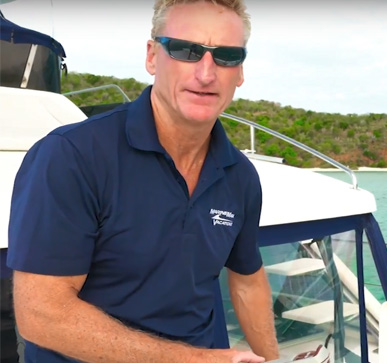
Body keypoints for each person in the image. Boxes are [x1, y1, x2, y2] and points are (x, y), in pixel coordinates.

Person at [6, 0, 279, 362]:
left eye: (227, 56)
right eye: (187, 51)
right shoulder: (71, 157)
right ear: (152, 56)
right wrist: (197, 360)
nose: (206, 73)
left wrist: (272, 359)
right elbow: (42, 316)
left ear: (240, 71)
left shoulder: (240, 177)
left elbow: (247, 281)